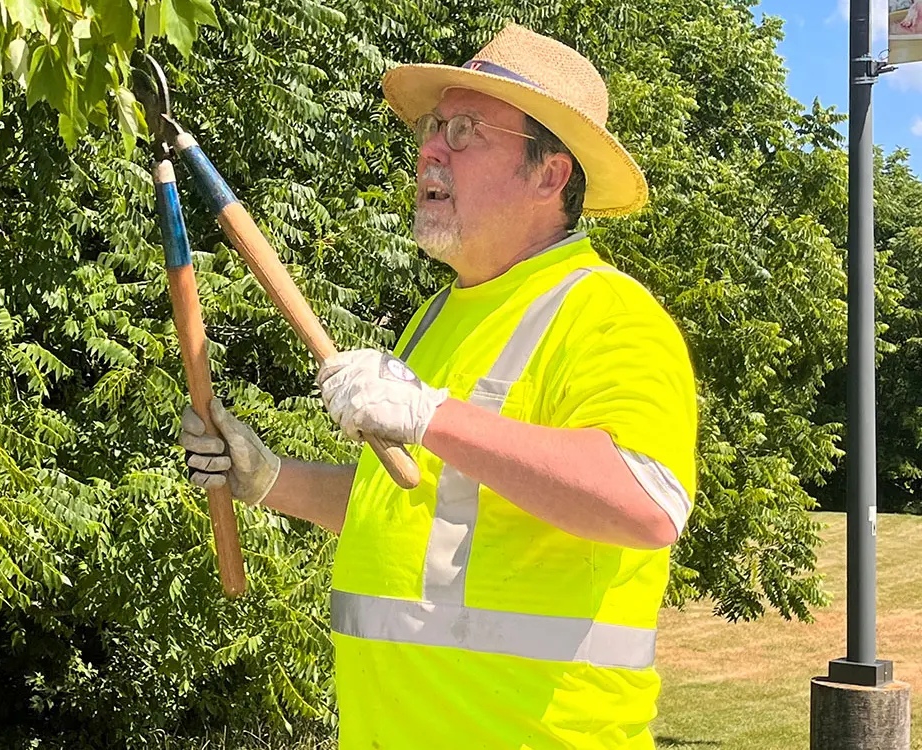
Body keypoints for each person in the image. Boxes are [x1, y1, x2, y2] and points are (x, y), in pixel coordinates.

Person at [180, 23, 698, 750]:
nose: (428, 148)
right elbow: (418, 501)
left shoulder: (608, 313)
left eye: (464, 130)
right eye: (432, 126)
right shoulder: (435, 320)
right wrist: (269, 479)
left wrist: (429, 414)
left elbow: (644, 503)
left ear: (550, 174)